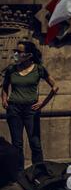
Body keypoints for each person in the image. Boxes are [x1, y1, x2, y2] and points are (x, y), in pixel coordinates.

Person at [1, 41, 58, 172]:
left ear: (29, 55)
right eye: (15, 51)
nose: (15, 54)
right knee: (17, 144)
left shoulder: (39, 69)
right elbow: (5, 86)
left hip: (31, 111)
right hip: (14, 109)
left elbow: (55, 86)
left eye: (19, 52)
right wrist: (4, 100)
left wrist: (43, 103)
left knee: (35, 143)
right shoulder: (11, 69)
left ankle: (38, 172)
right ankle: (19, 173)